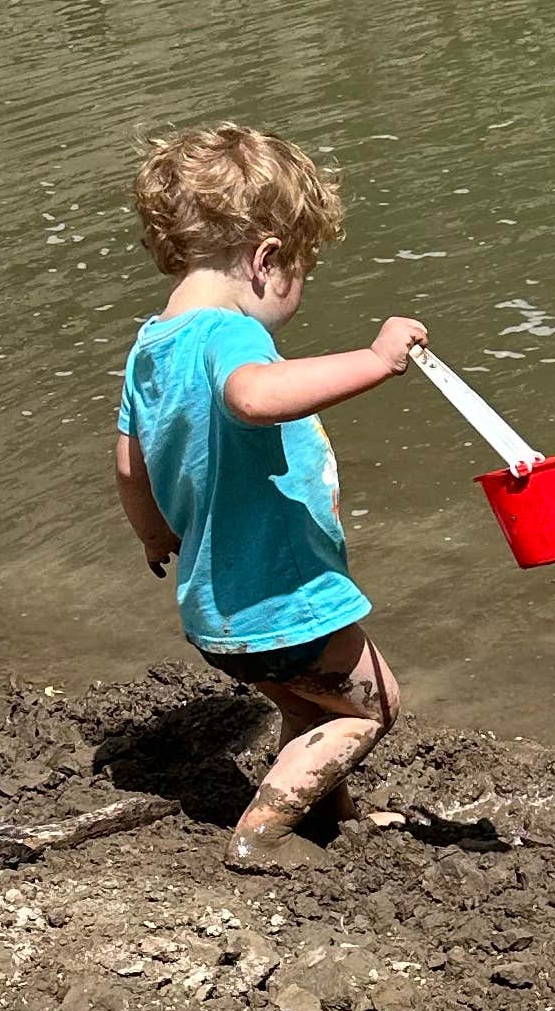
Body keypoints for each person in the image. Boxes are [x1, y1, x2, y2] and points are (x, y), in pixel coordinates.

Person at [114, 122, 427, 874]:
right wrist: (377, 361)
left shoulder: (151, 345)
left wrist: (155, 537)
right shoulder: (231, 336)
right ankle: (265, 832)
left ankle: (327, 812)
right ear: (266, 260)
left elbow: (129, 464)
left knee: (307, 706)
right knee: (373, 707)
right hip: (281, 597)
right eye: (302, 272)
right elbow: (254, 399)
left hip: (213, 604)